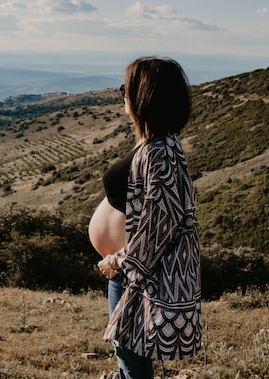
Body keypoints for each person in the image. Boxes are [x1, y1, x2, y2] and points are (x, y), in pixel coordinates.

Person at [88, 56, 202, 379]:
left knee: (133, 368)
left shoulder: (160, 154)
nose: (122, 94)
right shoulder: (153, 145)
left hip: (135, 278)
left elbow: (158, 229)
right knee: (128, 364)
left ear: (145, 96)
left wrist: (116, 263)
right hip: (129, 277)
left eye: (126, 88)